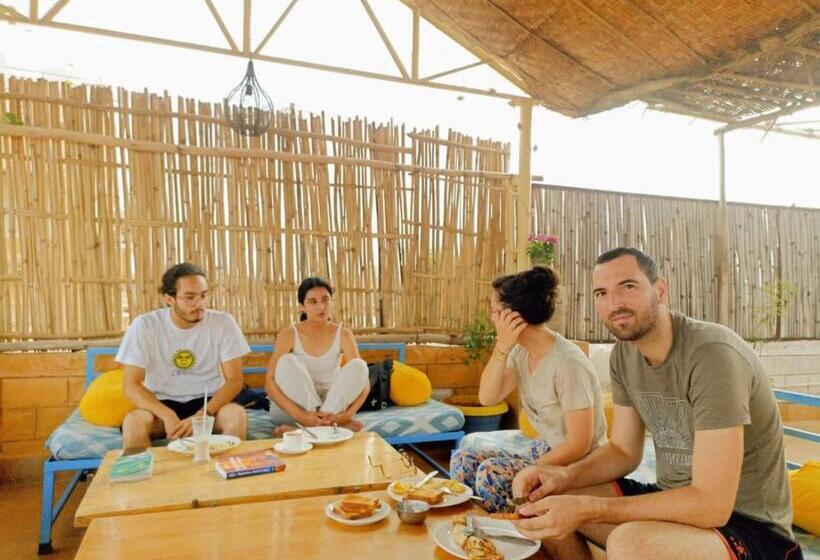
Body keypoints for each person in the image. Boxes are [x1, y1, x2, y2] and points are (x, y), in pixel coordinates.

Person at [511, 247, 802, 560]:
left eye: (628, 287)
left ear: (660, 290)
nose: (614, 304)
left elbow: (712, 505)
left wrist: (591, 509)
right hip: (673, 503)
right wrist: (563, 476)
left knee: (632, 544)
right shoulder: (625, 354)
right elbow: (623, 451)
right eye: (601, 293)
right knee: (544, 500)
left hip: (749, 527)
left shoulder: (712, 356)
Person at [450, 267, 607, 513]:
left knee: (491, 473)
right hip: (548, 448)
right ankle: (476, 530)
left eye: (494, 310)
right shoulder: (520, 351)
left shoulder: (568, 364)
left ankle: (513, 537)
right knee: (463, 458)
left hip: (579, 461)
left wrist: (530, 469)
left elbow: (579, 443)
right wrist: (501, 347)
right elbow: (488, 397)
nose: (491, 317)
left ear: (512, 315)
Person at [119, 263, 250, 449]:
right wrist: (167, 415)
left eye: (203, 296)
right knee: (133, 422)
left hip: (208, 403)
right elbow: (131, 385)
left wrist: (203, 415)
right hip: (160, 405)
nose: (199, 304)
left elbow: (235, 380)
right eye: (190, 297)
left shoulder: (223, 323)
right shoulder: (144, 326)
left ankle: (229, 471)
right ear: (169, 299)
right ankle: (141, 476)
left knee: (237, 415)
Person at [264, 277, 369, 435]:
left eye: (325, 300)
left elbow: (363, 382)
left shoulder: (344, 334)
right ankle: (325, 428)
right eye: (313, 302)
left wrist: (345, 415)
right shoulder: (289, 334)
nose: (321, 306)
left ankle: (308, 430)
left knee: (360, 366)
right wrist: (303, 416)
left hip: (332, 408)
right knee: (286, 362)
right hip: (293, 410)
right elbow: (269, 383)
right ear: (302, 307)